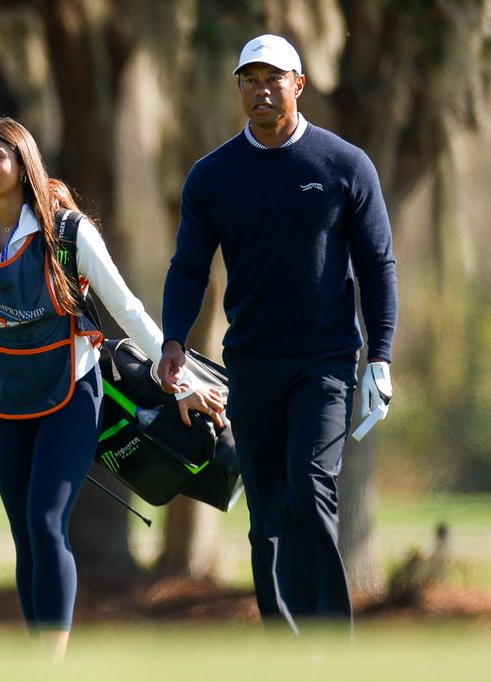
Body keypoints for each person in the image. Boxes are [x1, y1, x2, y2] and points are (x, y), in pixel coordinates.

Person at [0, 118, 224, 660]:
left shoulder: (69, 232)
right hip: (2, 395)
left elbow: (127, 308)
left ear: (23, 164)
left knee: (46, 521)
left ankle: (51, 662)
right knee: (24, 532)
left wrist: (178, 379)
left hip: (71, 390)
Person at [158, 34, 398, 632]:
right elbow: (189, 266)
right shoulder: (212, 176)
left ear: (299, 84)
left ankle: (328, 642)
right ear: (239, 87)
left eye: (274, 79)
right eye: (250, 80)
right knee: (265, 511)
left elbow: (377, 265)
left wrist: (382, 355)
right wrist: (172, 340)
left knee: (309, 487)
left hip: (326, 362)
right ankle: (283, 641)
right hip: (250, 363)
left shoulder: (345, 165)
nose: (262, 90)